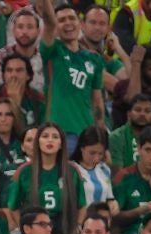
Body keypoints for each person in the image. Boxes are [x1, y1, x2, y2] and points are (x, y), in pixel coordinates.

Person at [36, 0, 104, 151]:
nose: (68, 23)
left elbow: (97, 101)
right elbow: (49, 22)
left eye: (71, 18)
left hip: (87, 136)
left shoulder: (94, 59)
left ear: (80, 22)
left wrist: (100, 136)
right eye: (61, 20)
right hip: (59, 133)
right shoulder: (53, 51)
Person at [6, 122, 86, 234]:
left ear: (61, 144)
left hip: (64, 228)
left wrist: (78, 224)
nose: (50, 140)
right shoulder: (24, 172)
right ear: (38, 142)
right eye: (45, 136)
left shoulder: (72, 171)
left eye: (55, 137)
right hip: (35, 226)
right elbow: (13, 207)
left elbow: (82, 204)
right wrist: (24, 228)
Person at [0, 7, 44, 95]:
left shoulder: (44, 58)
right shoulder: (1, 56)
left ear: (38, 31)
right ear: (13, 31)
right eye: (20, 27)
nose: (24, 32)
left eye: (30, 27)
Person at [109, 94, 151, 173]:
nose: (142, 114)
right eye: (138, 110)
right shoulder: (116, 138)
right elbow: (117, 176)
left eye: (147, 111)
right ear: (129, 114)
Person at [71, 126, 114, 211]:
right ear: (82, 148)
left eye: (100, 154)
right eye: (92, 153)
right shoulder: (72, 169)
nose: (96, 158)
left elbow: (109, 198)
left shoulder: (105, 169)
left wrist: (113, 205)